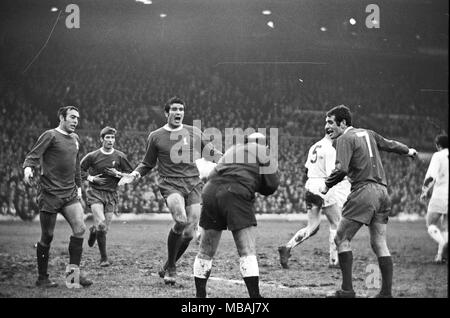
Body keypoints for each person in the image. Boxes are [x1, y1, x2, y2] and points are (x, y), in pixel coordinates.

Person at [119, 97, 222, 285]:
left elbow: (213, 154)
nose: (178, 112)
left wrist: (236, 158)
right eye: (174, 109)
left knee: (190, 233)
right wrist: (134, 174)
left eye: (181, 109)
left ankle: (168, 264)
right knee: (181, 220)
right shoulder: (156, 136)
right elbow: (147, 163)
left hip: (193, 184)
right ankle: (172, 268)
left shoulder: (194, 132)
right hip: (170, 184)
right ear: (167, 113)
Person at [320, 105, 417, 298]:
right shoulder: (368, 133)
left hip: (364, 191)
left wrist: (326, 185)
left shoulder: (345, 138)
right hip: (383, 193)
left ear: (343, 123)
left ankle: (347, 290)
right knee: (379, 243)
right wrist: (408, 151)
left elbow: (341, 169)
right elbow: (389, 144)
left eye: (330, 122)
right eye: (325, 123)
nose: (326, 127)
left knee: (341, 238)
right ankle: (386, 292)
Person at [193, 132, 280, 298]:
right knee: (246, 249)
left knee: (205, 251)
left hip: (210, 190)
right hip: (236, 192)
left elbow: (215, 171)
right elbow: (271, 186)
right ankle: (255, 298)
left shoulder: (233, 149)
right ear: (266, 145)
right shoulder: (264, 152)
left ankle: (200, 297)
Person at [23, 106, 92, 288]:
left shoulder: (76, 139)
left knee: (80, 228)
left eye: (77, 118)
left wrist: (78, 188)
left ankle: (72, 277)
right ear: (62, 117)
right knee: (48, 235)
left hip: (69, 193)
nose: (75, 121)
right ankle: (42, 278)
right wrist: (28, 169)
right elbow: (33, 155)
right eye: (72, 117)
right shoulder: (50, 135)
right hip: (50, 193)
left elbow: (76, 165)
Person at [278, 132, 350, 269]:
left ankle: (287, 247)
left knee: (313, 226)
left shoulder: (314, 146)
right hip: (323, 186)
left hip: (310, 186)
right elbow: (332, 174)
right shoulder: (330, 150)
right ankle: (334, 261)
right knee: (336, 223)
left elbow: (306, 170)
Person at [80, 126, 133, 267]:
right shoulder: (92, 156)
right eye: (107, 137)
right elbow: (79, 170)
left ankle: (93, 230)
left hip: (111, 194)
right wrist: (91, 179)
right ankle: (104, 258)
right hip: (95, 193)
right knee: (102, 224)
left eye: (112, 137)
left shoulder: (120, 156)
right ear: (101, 139)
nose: (110, 140)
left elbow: (131, 175)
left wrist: (117, 174)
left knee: (104, 228)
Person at [420, 134, 448, 264]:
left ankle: (442, 243)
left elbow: (431, 176)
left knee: (430, 223)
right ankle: (440, 255)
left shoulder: (438, 156)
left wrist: (425, 191)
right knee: (446, 228)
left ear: (438, 145)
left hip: (440, 195)